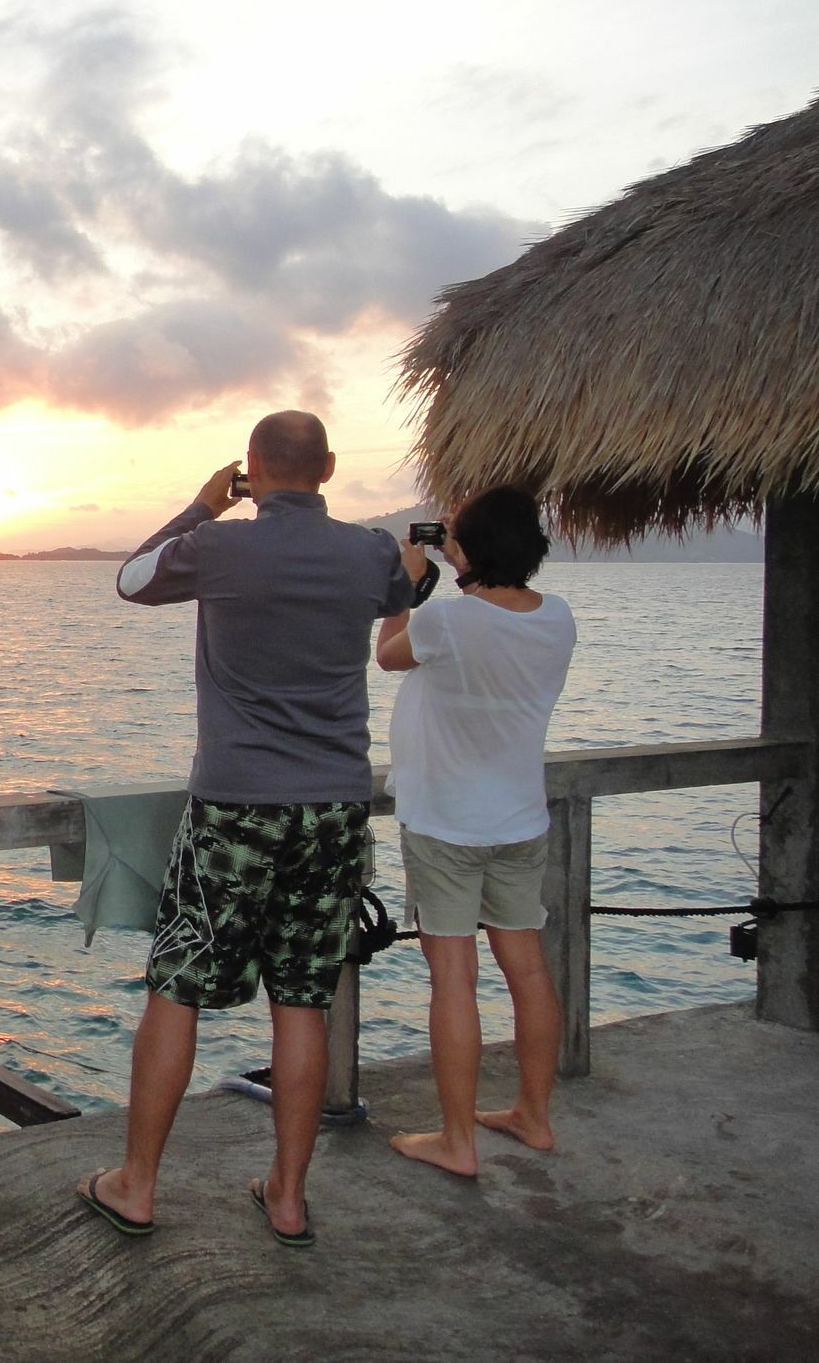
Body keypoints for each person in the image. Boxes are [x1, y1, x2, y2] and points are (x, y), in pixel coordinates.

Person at [75, 410, 414, 1248]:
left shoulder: (221, 548)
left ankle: (139, 1185)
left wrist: (202, 507)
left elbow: (130, 579)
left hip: (235, 805)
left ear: (251, 470)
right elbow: (408, 591)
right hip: (334, 805)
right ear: (328, 467)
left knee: (179, 984)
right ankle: (289, 1197)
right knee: (303, 998)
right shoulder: (370, 551)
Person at [377, 487, 576, 1177]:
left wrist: (404, 585)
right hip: (519, 818)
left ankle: (458, 1141)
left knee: (454, 980)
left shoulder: (447, 624)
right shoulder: (558, 619)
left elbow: (388, 654)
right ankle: (534, 1116)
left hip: (445, 823)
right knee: (526, 967)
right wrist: (461, 559)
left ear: (471, 550)